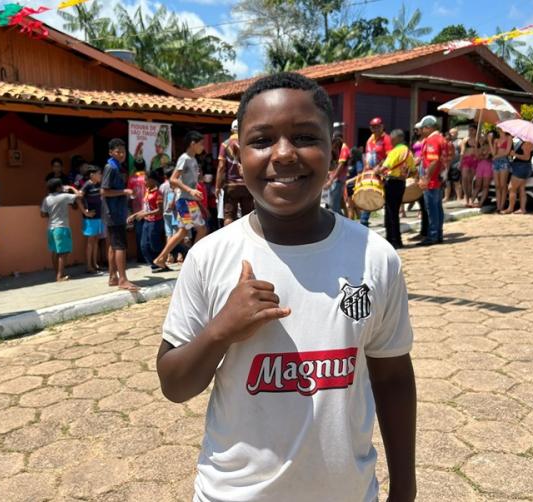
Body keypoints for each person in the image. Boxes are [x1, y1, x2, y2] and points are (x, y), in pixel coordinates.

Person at [156, 72, 416, 502]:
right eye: (262, 140)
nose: (283, 154)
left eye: (304, 137)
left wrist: (404, 490)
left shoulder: (375, 256)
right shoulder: (211, 257)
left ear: (333, 152)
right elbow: (175, 385)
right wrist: (221, 329)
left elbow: (392, 380)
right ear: (238, 156)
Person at [152, 131, 208, 268]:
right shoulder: (185, 158)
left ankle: (186, 258)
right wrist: (190, 190)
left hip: (190, 201)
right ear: (192, 144)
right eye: (201, 144)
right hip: (184, 200)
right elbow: (173, 179)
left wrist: (195, 189)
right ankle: (164, 258)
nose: (203, 147)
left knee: (200, 229)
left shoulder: (193, 159)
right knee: (186, 231)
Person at [101, 138, 139, 291]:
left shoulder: (116, 167)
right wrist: (124, 191)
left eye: (123, 151)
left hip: (114, 212)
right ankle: (123, 279)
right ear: (111, 152)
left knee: (113, 246)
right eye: (118, 152)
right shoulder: (111, 167)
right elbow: (104, 191)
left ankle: (112, 277)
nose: (121, 154)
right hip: (114, 213)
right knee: (120, 246)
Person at [378, 129, 416, 249]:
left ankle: (392, 240)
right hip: (401, 184)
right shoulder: (408, 152)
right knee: (394, 212)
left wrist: (376, 171)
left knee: (390, 213)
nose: (391, 141)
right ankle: (397, 240)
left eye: (392, 139)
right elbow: (413, 170)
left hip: (392, 183)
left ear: (397, 138)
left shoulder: (395, 151)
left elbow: (385, 167)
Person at [40, 178, 81, 282]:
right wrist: (71, 187)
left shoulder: (47, 199)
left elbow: (43, 214)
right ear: (58, 187)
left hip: (51, 228)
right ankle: (60, 276)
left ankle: (57, 273)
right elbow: (80, 195)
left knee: (54, 252)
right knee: (63, 253)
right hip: (61, 227)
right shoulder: (64, 196)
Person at [216, 120, 254, 226]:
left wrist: (217, 187)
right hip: (246, 185)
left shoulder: (225, 144)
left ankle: (229, 241)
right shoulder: (247, 144)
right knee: (248, 216)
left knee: (229, 216)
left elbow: (221, 167)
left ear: (231, 130)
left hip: (230, 186)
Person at [128, 169, 166, 272]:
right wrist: (134, 215)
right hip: (147, 222)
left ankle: (167, 257)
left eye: (146, 180)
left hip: (156, 222)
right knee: (144, 246)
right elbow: (146, 208)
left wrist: (145, 214)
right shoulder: (147, 191)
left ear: (152, 180)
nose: (144, 182)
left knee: (155, 245)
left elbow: (160, 211)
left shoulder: (158, 193)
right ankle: (155, 265)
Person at [417, 115, 445, 246]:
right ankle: (438, 234)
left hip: (432, 180)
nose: (421, 131)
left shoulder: (432, 140)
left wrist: (426, 178)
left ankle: (433, 235)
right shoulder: (441, 139)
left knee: (432, 209)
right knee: (437, 208)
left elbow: (433, 161)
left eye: (422, 128)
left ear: (428, 128)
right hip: (437, 178)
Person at [79, 165, 106, 275]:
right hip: (90, 218)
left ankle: (95, 265)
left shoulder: (98, 185)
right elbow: (78, 198)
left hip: (99, 216)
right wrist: (85, 212)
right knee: (90, 242)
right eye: (99, 174)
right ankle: (89, 266)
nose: (100, 175)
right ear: (92, 175)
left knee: (95, 241)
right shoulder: (87, 185)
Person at [503, 138, 533, 214]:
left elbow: (526, 157)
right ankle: (522, 209)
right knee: (521, 189)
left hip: (521, 167)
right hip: (523, 167)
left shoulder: (527, 142)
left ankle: (510, 208)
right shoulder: (528, 142)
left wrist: (515, 154)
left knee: (511, 188)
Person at [324, 133, 350, 216]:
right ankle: (346, 221)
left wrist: (331, 180)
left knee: (334, 206)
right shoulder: (337, 148)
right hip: (335, 179)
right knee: (337, 204)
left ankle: (343, 224)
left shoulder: (343, 148)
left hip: (338, 180)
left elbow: (341, 165)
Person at [127, 166, 147, 264]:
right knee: (147, 234)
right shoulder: (147, 177)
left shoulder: (131, 178)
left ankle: (141, 257)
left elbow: (130, 196)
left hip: (136, 211)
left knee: (139, 235)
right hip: (148, 210)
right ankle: (147, 256)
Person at [490, 128, 512, 213]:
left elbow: (507, 152)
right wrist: (490, 142)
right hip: (496, 162)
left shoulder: (508, 138)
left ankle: (502, 205)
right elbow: (493, 153)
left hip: (504, 161)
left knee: (503, 185)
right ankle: (498, 205)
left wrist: (496, 156)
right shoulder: (496, 140)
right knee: (497, 185)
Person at [460, 124, 479, 207]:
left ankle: (471, 198)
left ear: (475, 130)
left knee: (471, 180)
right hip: (466, 159)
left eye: (472, 130)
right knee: (465, 178)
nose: (470, 132)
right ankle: (466, 197)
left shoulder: (478, 140)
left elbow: (481, 150)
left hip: (474, 159)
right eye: (469, 130)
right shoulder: (465, 139)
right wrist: (460, 162)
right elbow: (462, 151)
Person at [473, 134, 494, 207]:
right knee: (477, 186)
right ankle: (472, 201)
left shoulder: (492, 146)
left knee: (485, 186)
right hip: (480, 166)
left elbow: (488, 156)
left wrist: (484, 154)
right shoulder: (481, 147)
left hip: (488, 167)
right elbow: (478, 156)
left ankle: (480, 203)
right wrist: (477, 147)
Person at [443, 128, 463, 202]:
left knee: (456, 181)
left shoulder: (459, 141)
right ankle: (446, 197)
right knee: (447, 181)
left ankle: (458, 197)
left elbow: (462, 153)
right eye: (450, 133)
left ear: (457, 134)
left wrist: (460, 163)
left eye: (453, 133)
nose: (451, 134)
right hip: (447, 165)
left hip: (456, 164)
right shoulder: (446, 142)